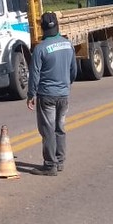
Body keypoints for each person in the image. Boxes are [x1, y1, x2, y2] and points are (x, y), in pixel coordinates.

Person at [26, 11, 76, 175]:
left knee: (48, 130)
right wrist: (66, 85)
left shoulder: (40, 49)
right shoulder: (68, 44)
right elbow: (73, 70)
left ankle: (50, 166)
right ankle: (60, 161)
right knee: (60, 128)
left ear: (42, 28)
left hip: (47, 95)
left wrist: (30, 94)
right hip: (63, 94)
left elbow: (34, 74)